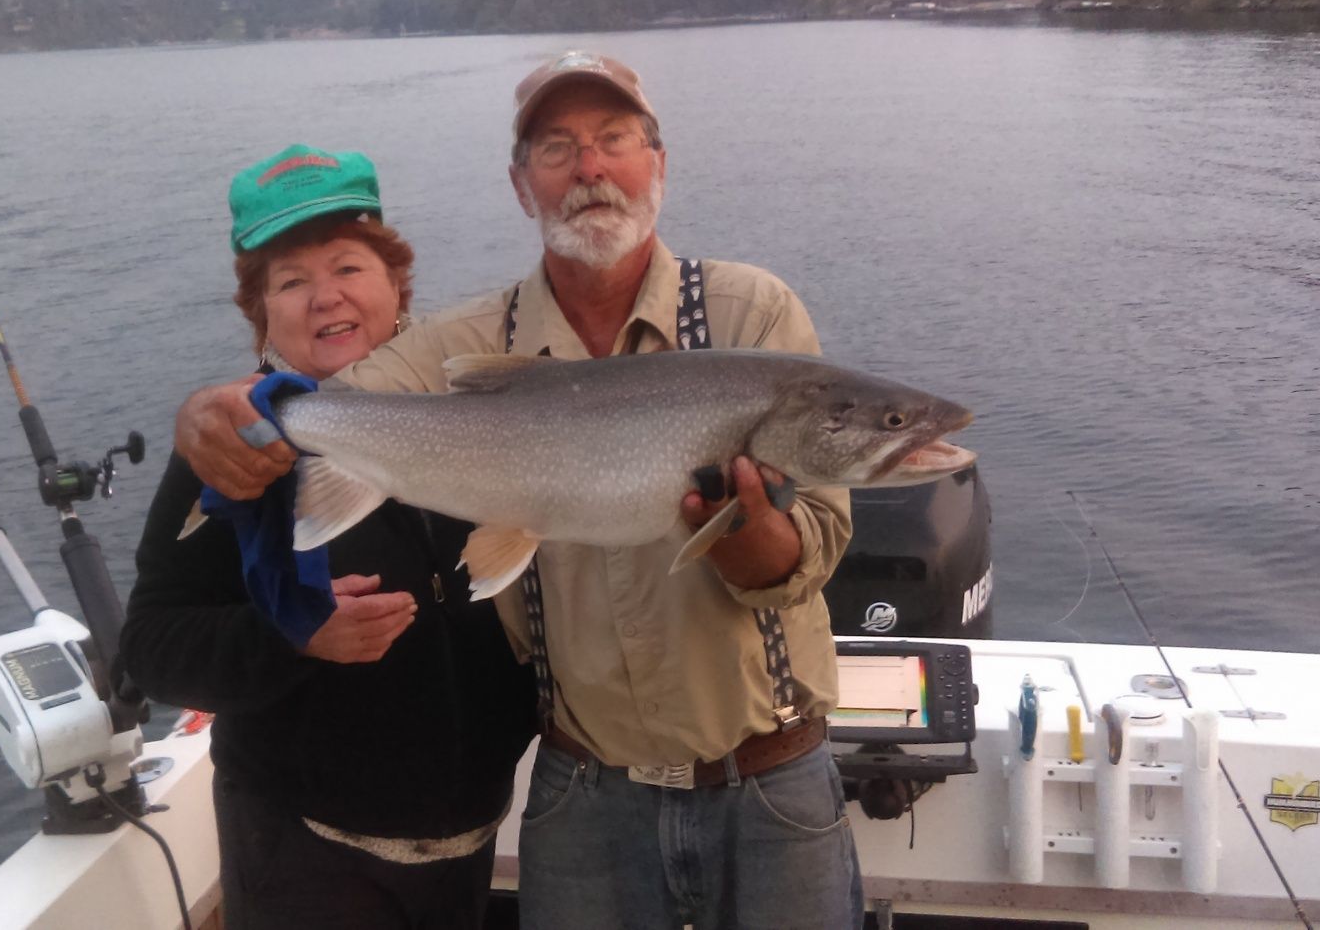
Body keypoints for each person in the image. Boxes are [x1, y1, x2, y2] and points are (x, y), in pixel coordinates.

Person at [175, 54, 865, 929]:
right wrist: (208, 411)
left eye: (615, 140)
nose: (590, 169)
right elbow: (326, 401)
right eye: (557, 148)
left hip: (771, 782)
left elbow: (812, 553)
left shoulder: (754, 317)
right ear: (519, 183)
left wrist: (742, 530)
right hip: (584, 795)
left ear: (658, 161)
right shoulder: (464, 342)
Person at [119, 144, 535, 930]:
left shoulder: (480, 405)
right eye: (290, 281)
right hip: (309, 857)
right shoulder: (238, 442)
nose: (325, 297)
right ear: (262, 313)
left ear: (395, 285)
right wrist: (291, 635)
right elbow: (151, 644)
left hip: (468, 848)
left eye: (348, 267)